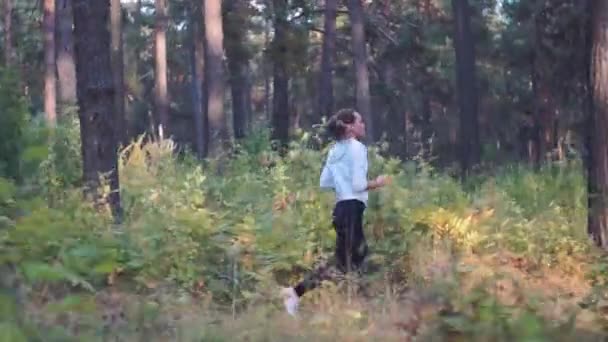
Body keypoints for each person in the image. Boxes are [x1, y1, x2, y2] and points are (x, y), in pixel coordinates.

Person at [280, 108, 390, 316]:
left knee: (349, 259)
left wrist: (343, 182)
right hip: (351, 208)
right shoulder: (357, 148)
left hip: (341, 208)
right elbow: (358, 185)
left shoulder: (334, 150)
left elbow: (324, 182)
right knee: (351, 259)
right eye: (360, 121)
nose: (363, 125)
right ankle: (298, 294)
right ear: (350, 127)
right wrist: (378, 182)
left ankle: (343, 301)